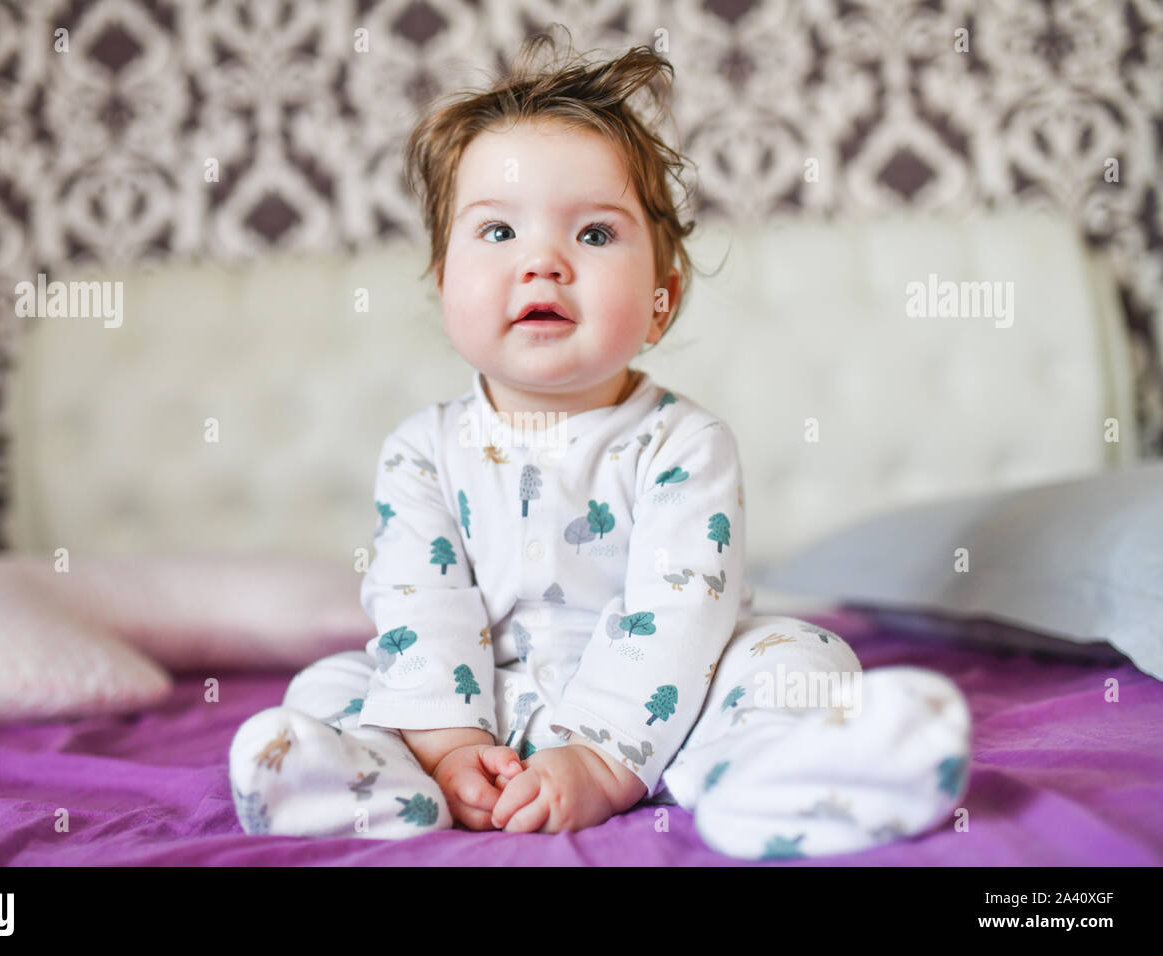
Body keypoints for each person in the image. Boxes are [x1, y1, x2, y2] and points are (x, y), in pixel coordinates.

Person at [229, 28, 971, 859]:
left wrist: (597, 758)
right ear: (444, 283)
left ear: (662, 299)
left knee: (802, 656)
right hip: (479, 702)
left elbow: (678, 615)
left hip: (659, 704)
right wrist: (446, 744)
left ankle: (766, 783)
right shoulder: (422, 449)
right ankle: (388, 788)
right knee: (330, 684)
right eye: (497, 233)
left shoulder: (684, 443)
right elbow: (420, 604)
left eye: (592, 234)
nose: (542, 262)